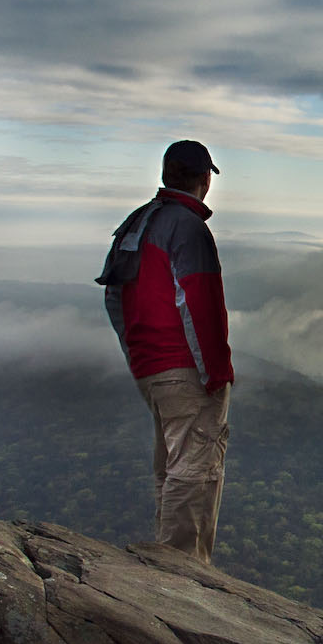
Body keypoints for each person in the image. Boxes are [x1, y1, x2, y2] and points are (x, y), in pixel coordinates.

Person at [97, 140, 234, 564]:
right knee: (195, 468)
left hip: (151, 369)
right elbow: (199, 303)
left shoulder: (137, 223)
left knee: (172, 468)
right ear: (204, 179)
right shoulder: (188, 227)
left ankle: (166, 562)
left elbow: (114, 298)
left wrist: (136, 355)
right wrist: (214, 371)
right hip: (185, 368)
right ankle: (183, 570)